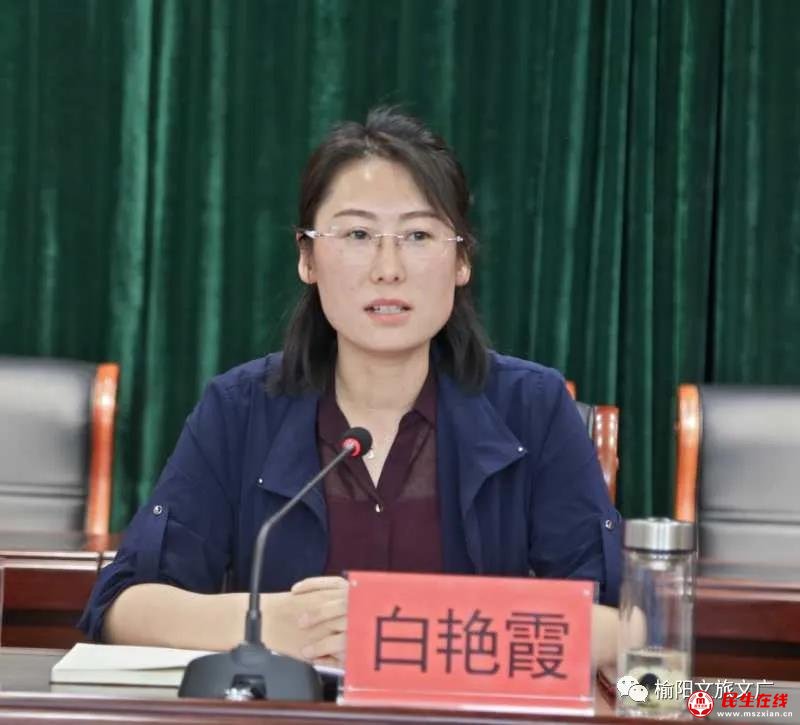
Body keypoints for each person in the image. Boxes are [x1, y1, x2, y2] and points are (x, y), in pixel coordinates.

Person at [79, 107, 623, 669]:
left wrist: (399, 622)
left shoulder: (532, 408)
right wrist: (267, 623)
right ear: (307, 257)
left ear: (462, 260)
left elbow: (622, 626)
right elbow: (122, 607)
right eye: (358, 234)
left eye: (418, 235)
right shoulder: (240, 409)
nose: (388, 269)